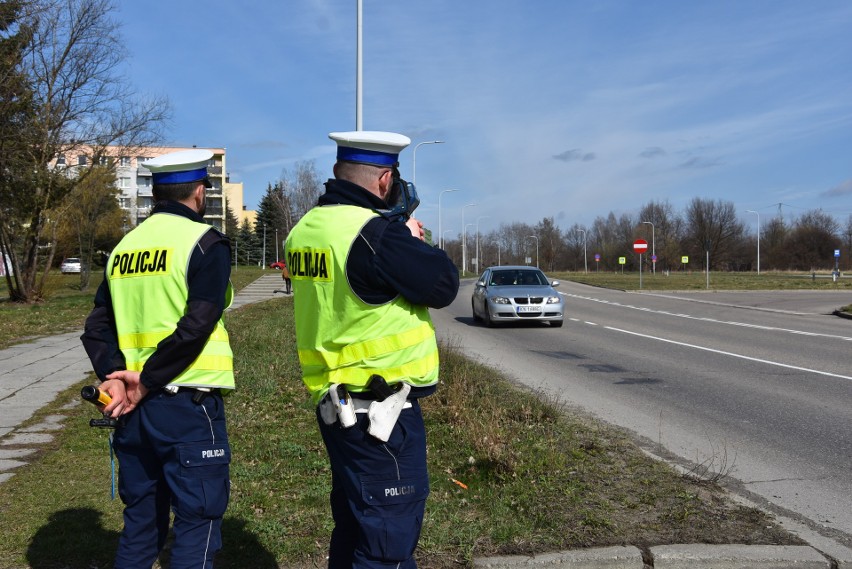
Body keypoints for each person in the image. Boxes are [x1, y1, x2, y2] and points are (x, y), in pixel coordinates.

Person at [284, 131, 459, 569]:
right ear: (385, 179)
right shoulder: (374, 235)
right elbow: (443, 285)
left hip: (336, 406)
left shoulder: (305, 229)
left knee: (355, 526)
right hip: (381, 416)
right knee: (387, 546)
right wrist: (411, 238)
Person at [80, 149, 235, 569]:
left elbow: (96, 327)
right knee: (197, 520)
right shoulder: (205, 243)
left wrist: (114, 378)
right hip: (184, 405)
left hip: (132, 412)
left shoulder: (124, 249)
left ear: (155, 193)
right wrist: (145, 380)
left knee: (142, 523)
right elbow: (196, 325)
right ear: (200, 192)